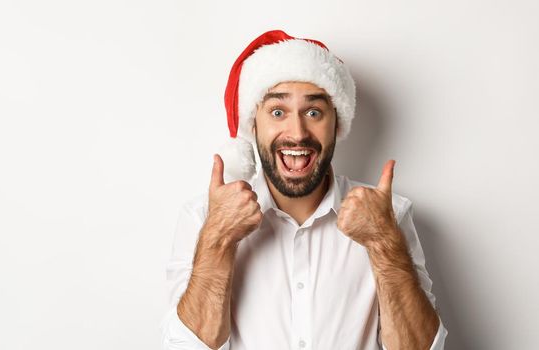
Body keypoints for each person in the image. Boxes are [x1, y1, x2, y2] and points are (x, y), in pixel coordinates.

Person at [160, 30, 447, 349]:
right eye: (278, 112)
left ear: (337, 124)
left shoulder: (389, 215)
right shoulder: (202, 218)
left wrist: (384, 243)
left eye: (313, 112)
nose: (297, 133)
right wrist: (218, 239)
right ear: (253, 124)